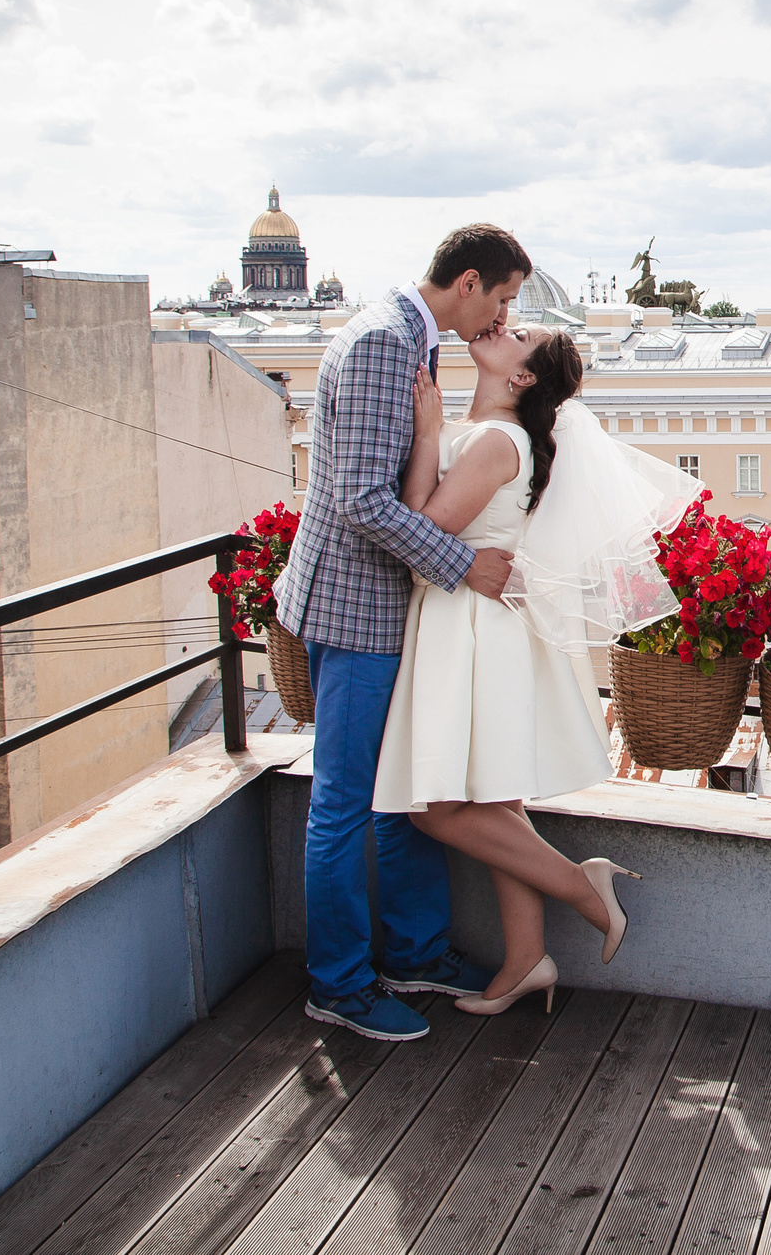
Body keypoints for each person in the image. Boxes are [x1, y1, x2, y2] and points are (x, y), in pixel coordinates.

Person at [375, 324, 697, 1014]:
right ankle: (526, 959)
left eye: (518, 334)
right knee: (493, 797)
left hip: (469, 624)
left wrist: (427, 433)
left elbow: (417, 536)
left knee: (434, 808)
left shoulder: (494, 441)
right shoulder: (491, 433)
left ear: (522, 378)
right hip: (477, 621)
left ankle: (583, 887)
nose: (500, 327)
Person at [270, 224, 528, 1041]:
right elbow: (362, 502)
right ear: (470, 283)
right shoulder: (389, 342)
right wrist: (463, 565)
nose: (502, 315)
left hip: (378, 608)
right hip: (356, 611)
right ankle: (339, 984)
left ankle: (414, 951)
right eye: (505, 298)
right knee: (346, 803)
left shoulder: (402, 330)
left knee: (396, 794)